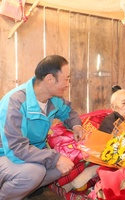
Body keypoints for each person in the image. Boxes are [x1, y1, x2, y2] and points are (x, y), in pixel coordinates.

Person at [0, 55, 85, 199]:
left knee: (63, 166)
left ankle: (23, 191)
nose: (68, 83)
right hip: (6, 154)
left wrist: (76, 126)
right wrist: (55, 158)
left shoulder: (54, 98)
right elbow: (16, 149)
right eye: (66, 78)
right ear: (50, 79)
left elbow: (68, 112)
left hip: (31, 152)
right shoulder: (15, 102)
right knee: (35, 173)